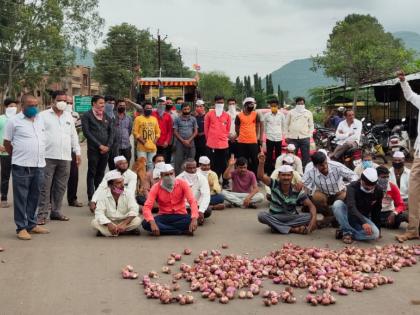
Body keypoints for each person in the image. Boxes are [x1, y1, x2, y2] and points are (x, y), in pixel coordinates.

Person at [3, 94, 49, 240]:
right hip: (21, 166)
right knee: (21, 198)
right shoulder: (14, 121)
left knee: (34, 197)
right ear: (22, 105)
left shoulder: (40, 119)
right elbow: (7, 143)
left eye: (35, 105)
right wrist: (18, 156)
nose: (33, 107)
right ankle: (21, 227)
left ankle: (32, 224)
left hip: (39, 165)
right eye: (30, 105)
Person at [36, 91, 81, 225]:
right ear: (53, 101)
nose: (63, 103)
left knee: (60, 187)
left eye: (66, 101)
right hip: (47, 156)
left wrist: (77, 152)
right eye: (60, 100)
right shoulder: (43, 116)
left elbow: (74, 135)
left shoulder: (68, 117)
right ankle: (42, 214)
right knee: (45, 187)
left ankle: (56, 211)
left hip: (65, 157)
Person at [257, 153, 317, 234]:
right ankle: (292, 229)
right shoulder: (274, 184)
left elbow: (311, 206)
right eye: (283, 175)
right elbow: (261, 176)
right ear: (279, 176)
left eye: (288, 175)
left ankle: (277, 227)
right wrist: (261, 163)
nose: (286, 177)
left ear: (292, 176)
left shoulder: (296, 189)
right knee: (261, 216)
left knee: (310, 216)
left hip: (291, 217)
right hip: (276, 216)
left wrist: (313, 221)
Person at [303, 151, 358, 227]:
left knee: (346, 196)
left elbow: (354, 176)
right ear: (315, 166)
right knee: (316, 198)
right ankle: (330, 217)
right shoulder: (310, 171)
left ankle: (331, 219)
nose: (325, 166)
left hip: (339, 193)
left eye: (326, 163)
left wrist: (349, 186)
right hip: (323, 193)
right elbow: (303, 184)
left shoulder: (336, 166)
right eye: (322, 165)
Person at [396, 70, 420, 242]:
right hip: (419, 155)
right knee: (413, 193)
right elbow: (410, 96)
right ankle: (412, 230)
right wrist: (403, 81)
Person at [141, 164, 198, 236]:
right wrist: (152, 223)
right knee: (145, 223)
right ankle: (180, 231)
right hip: (164, 216)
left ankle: (164, 230)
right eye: (166, 175)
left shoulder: (182, 183)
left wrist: (194, 218)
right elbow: (147, 207)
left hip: (180, 215)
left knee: (192, 220)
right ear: (161, 176)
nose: (170, 176)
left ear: (174, 173)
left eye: (171, 174)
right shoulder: (156, 187)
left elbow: (192, 201)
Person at [332, 168, 382, 244]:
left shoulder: (378, 190)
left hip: (362, 218)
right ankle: (347, 231)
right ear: (361, 180)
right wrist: (363, 222)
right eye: (366, 185)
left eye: (372, 186)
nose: (369, 188)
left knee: (375, 233)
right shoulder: (352, 187)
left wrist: (378, 228)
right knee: (337, 204)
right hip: (348, 214)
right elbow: (351, 206)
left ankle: (346, 233)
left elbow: (377, 210)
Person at [81, 95, 114, 202]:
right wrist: (99, 145)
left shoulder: (106, 116)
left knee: (101, 173)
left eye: (103, 103)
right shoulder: (87, 115)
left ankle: (98, 196)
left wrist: (108, 146)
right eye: (100, 103)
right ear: (94, 103)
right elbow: (87, 132)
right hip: (94, 149)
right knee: (92, 173)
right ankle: (91, 197)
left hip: (105, 150)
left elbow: (111, 132)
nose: (103, 105)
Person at [91, 170, 141, 237]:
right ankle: (122, 231)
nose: (122, 185)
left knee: (137, 220)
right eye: (118, 183)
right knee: (94, 223)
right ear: (110, 185)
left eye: (122, 182)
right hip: (109, 220)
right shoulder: (103, 194)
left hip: (124, 220)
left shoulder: (128, 193)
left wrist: (125, 223)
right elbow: (99, 213)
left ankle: (109, 232)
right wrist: (109, 224)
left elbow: (134, 210)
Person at [177, 159, 211, 225]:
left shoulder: (202, 178)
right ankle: (192, 218)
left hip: (197, 206)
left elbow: (206, 195)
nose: (192, 170)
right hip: (184, 207)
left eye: (194, 168)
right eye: (189, 168)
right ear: (184, 168)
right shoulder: (178, 179)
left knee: (208, 210)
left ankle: (193, 218)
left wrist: (201, 211)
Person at [204, 96, 231, 181]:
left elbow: (228, 129)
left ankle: (225, 181)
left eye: (222, 103)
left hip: (224, 144)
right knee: (213, 164)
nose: (220, 104)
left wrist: (223, 136)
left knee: (224, 164)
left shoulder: (227, 115)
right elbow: (206, 128)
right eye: (218, 102)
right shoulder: (209, 114)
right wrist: (209, 140)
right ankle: (214, 181)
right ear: (214, 103)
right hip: (211, 144)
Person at [285, 97, 314, 167]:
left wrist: (309, 135)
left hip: (305, 138)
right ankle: (292, 170)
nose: (300, 105)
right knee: (291, 156)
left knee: (306, 156)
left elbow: (311, 125)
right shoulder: (290, 112)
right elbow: (286, 125)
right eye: (299, 103)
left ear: (304, 104)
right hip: (292, 138)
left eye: (302, 103)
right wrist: (286, 136)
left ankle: (304, 170)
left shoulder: (308, 113)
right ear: (296, 104)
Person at [235, 97, 261, 176]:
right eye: (250, 105)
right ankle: (242, 176)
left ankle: (254, 177)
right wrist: (241, 135)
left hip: (253, 141)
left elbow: (257, 126)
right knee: (242, 161)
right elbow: (237, 128)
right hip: (242, 142)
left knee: (255, 160)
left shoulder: (256, 114)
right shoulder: (239, 116)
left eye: (253, 105)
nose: (251, 106)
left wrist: (257, 136)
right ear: (245, 105)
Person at [0, 98, 18, 208]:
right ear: (6, 107)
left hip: (18, 153)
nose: (13, 108)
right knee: (5, 176)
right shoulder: (1, 119)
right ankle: (4, 199)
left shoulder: (19, 119)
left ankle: (19, 199)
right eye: (11, 106)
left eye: (15, 106)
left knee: (18, 177)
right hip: (5, 153)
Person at [133, 102, 160, 171]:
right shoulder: (138, 119)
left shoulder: (154, 119)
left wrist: (155, 141)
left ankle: (150, 179)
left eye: (150, 108)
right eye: (147, 108)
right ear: (143, 109)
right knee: (141, 164)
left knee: (151, 164)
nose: (149, 109)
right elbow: (135, 132)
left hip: (152, 147)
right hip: (142, 147)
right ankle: (142, 180)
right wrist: (144, 142)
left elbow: (158, 132)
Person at [66, 95, 83, 207]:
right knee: (54, 176)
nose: (68, 104)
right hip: (55, 150)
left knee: (73, 175)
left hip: (71, 149)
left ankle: (72, 199)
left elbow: (78, 132)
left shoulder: (75, 115)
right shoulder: (48, 115)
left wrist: (78, 150)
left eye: (70, 102)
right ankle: (49, 201)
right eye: (66, 102)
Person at [173, 103, 198, 175]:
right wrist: (183, 141)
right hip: (180, 143)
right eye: (185, 109)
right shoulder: (177, 119)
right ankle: (178, 178)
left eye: (188, 109)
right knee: (178, 161)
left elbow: (196, 131)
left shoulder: (193, 119)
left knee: (191, 160)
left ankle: (190, 176)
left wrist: (189, 140)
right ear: (181, 110)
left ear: (190, 110)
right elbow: (175, 132)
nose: (186, 110)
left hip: (191, 143)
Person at [263, 99, 285, 174]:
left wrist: (283, 135)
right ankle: (269, 172)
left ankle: (278, 171)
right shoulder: (266, 115)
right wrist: (267, 134)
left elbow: (283, 126)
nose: (273, 107)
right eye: (272, 106)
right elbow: (264, 126)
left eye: (275, 106)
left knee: (278, 155)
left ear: (278, 106)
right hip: (269, 137)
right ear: (270, 106)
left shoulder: (281, 115)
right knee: (269, 155)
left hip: (279, 138)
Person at [153, 97, 173, 164]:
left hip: (165, 143)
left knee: (165, 162)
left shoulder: (168, 116)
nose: (162, 106)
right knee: (155, 162)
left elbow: (170, 130)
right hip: (154, 142)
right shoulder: (152, 114)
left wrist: (167, 141)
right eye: (160, 104)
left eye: (163, 104)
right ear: (157, 105)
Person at [114, 99, 133, 165]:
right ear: (116, 106)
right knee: (116, 165)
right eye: (120, 105)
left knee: (126, 164)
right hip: (116, 146)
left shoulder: (129, 118)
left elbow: (129, 130)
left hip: (126, 146)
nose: (122, 106)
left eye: (124, 105)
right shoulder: (112, 117)